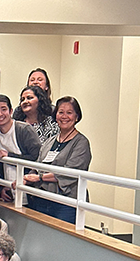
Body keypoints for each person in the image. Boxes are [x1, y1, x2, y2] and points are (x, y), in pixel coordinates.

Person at [24, 96, 91, 225]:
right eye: (61, 112)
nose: (64, 116)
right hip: (43, 199)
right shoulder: (50, 141)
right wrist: (26, 178)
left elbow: (71, 172)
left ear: (77, 116)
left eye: (69, 112)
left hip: (66, 203)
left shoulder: (81, 143)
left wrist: (40, 178)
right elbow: (37, 165)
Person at [0, 94, 41, 202]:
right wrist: (2, 187)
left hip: (31, 193)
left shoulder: (24, 130)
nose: (0, 114)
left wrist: (10, 156)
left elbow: (37, 159)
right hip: (10, 193)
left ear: (11, 111)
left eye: (3, 109)